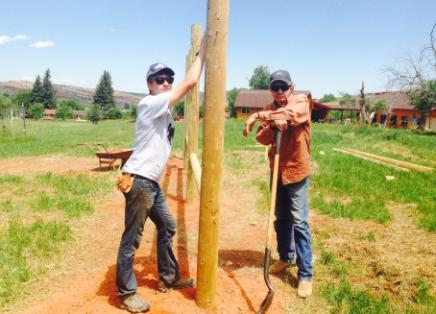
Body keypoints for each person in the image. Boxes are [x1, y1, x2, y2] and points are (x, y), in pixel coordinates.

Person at [115, 39, 206, 313]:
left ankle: (169, 278)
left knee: (167, 226)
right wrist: (202, 53)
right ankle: (127, 292)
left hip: (151, 183)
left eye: (169, 79)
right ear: (150, 85)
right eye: (159, 79)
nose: (166, 83)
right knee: (132, 239)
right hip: (140, 180)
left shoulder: (163, 108)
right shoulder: (149, 103)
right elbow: (189, 84)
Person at [242, 70, 313, 298]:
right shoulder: (271, 109)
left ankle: (305, 276)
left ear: (291, 87)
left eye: (284, 87)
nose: (280, 91)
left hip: (296, 171)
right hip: (277, 172)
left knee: (299, 222)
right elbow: (261, 139)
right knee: (281, 218)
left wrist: (257, 117)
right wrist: (273, 125)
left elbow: (294, 114)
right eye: (275, 87)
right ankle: (285, 257)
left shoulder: (301, 100)